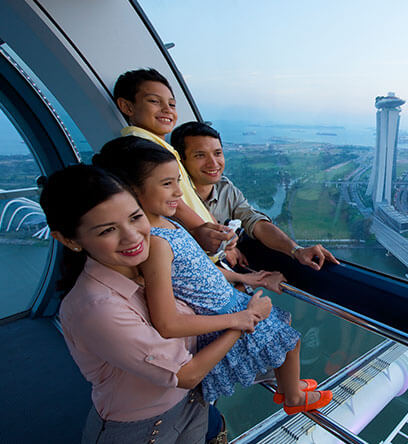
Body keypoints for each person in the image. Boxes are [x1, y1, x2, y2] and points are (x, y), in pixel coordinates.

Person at [93, 136, 332, 414]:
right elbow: (166, 324)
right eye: (167, 184)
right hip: (219, 318)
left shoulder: (168, 223)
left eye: (178, 182)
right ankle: (293, 397)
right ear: (131, 190)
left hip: (229, 303)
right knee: (290, 340)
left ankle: (288, 385)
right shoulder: (156, 244)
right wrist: (243, 318)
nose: (179, 193)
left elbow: (198, 272)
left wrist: (245, 278)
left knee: (284, 328)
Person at [40, 165, 253, 443]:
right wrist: (242, 321)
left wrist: (241, 280)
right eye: (107, 230)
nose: (132, 236)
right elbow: (185, 375)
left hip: (193, 403)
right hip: (142, 429)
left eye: (135, 217)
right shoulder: (97, 308)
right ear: (69, 240)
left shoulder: (150, 263)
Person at [170, 121, 339, 274]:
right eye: (200, 155)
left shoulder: (226, 189)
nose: (213, 163)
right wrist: (223, 250)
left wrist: (296, 250)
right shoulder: (171, 198)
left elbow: (255, 222)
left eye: (217, 153)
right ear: (181, 161)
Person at [113, 68, 231, 254]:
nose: (167, 109)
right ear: (127, 107)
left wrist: (217, 230)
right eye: (154, 101)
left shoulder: (161, 147)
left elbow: (191, 198)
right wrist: (205, 233)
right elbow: (177, 205)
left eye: (172, 104)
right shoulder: (142, 148)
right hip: (201, 245)